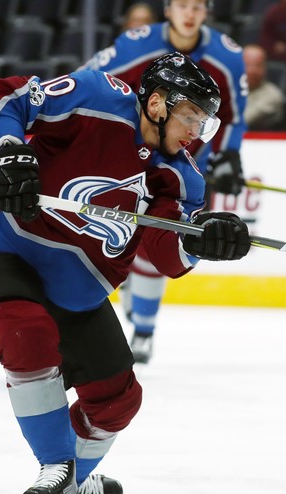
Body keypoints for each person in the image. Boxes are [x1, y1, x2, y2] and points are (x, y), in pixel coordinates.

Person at [0, 52, 251, 494]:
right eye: (192, 116)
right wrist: (8, 150)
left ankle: (73, 476)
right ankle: (57, 466)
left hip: (78, 288)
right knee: (25, 332)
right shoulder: (94, 97)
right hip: (6, 249)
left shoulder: (179, 175)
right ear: (157, 103)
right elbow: (4, 98)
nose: (197, 132)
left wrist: (202, 242)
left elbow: (166, 252)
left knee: (118, 400)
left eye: (204, 122)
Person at [82, 0, 248, 363]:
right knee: (118, 238)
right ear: (168, 9)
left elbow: (234, 116)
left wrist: (228, 157)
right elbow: (87, 80)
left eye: (198, 7)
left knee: (162, 240)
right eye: (182, 5)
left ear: (207, 12)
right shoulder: (136, 44)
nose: (190, 14)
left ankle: (144, 329)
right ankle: (130, 298)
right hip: (128, 156)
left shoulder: (227, 55)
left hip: (183, 166)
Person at [243, 43, 285, 130]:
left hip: (258, 140)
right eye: (248, 65)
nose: (252, 71)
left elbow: (244, 120)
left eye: (257, 65)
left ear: (265, 68)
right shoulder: (228, 89)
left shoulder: (272, 95)